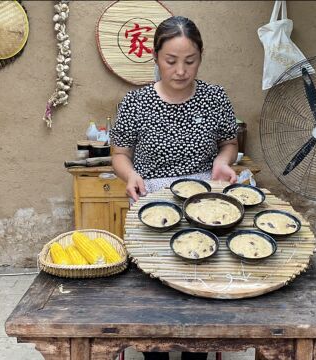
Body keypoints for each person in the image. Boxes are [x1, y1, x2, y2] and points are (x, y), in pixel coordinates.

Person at [110, 15, 238, 360]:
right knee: (155, 291)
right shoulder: (136, 102)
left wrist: (223, 161)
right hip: (152, 203)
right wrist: (130, 175)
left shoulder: (215, 97)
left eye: (190, 61)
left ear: (200, 57)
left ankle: (197, 351)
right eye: (171, 61)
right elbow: (119, 154)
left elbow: (229, 143)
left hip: (204, 205)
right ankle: (154, 352)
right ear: (155, 58)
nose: (180, 70)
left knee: (199, 288)